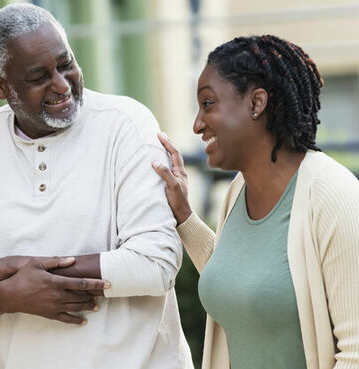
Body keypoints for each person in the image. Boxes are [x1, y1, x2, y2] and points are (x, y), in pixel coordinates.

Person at [0, 3, 193, 369]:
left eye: (66, 64)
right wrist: (5, 297)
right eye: (38, 76)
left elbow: (156, 265)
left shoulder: (126, 124)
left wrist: (1, 271)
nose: (62, 85)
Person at [152, 35, 359, 369]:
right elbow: (241, 280)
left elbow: (355, 353)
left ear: (256, 103)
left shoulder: (333, 195)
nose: (197, 124)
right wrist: (184, 216)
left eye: (208, 104)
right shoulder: (238, 190)